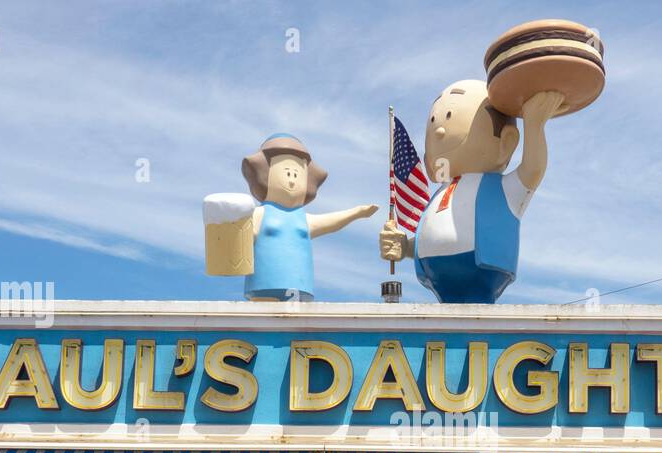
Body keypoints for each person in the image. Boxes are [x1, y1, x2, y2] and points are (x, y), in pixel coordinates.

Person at [378, 81, 563, 304]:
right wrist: (405, 246)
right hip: (435, 279)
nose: (439, 130)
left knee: (475, 322)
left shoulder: (501, 188)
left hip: (483, 274)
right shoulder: (440, 192)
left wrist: (534, 125)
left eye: (448, 117)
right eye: (435, 121)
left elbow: (532, 169)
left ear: (507, 142)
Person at [237, 134, 377, 301]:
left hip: (301, 291)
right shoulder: (260, 213)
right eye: (287, 172)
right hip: (263, 289)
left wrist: (357, 212)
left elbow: (331, 222)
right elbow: (238, 237)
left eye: (296, 174)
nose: (291, 179)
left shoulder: (303, 219)